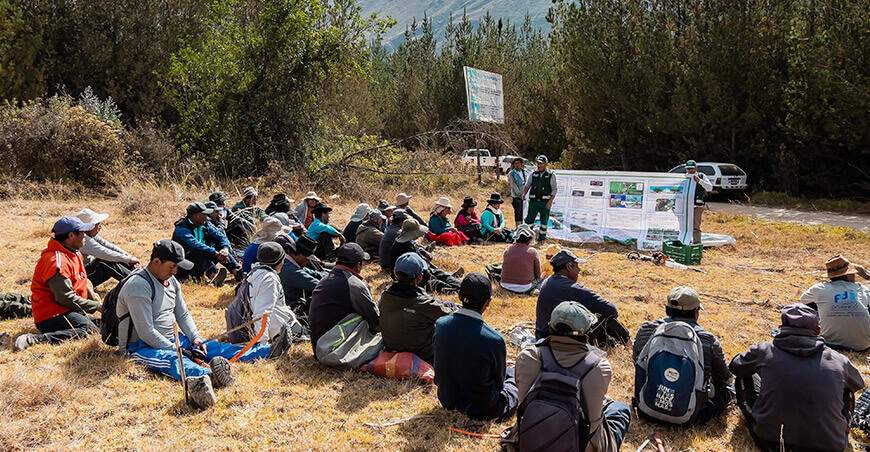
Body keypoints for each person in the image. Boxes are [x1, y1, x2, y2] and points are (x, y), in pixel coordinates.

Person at [116, 240, 291, 409]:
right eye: (172, 266)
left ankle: (268, 351)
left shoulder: (172, 282)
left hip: (175, 340)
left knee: (213, 347)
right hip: (140, 346)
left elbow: (182, 314)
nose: (176, 271)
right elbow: (146, 331)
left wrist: (196, 338)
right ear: (156, 261)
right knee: (173, 360)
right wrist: (176, 349)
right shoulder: (138, 287)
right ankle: (206, 377)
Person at [730, 303, 864, 451]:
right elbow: (858, 383)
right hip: (830, 446)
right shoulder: (839, 360)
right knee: (847, 390)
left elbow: (736, 366)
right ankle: (840, 430)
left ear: (780, 328)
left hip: (771, 442)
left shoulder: (764, 350)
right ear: (818, 331)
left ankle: (758, 419)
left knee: (743, 375)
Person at [514, 301, 631, 451]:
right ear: (586, 334)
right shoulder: (598, 367)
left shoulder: (528, 357)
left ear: (551, 327)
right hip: (580, 446)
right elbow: (593, 423)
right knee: (620, 408)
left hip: (530, 439)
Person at [632, 286, 734, 426]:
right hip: (690, 418)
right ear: (695, 312)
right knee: (726, 391)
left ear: (668, 308)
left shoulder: (647, 329)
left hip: (645, 409)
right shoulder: (707, 340)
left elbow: (637, 362)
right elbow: (724, 379)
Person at [434, 273, 518, 420]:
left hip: (447, 400)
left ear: (459, 296)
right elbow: (500, 383)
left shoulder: (441, 325)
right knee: (515, 378)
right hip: (484, 409)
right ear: (488, 302)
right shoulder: (495, 339)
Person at [15, 216, 101, 351]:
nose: (85, 235)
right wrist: (97, 307)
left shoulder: (74, 253)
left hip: (68, 310)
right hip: (51, 315)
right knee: (89, 331)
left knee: (103, 325)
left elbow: (81, 281)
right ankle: (35, 339)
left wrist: (93, 298)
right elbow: (64, 297)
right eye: (82, 232)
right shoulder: (56, 261)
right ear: (71, 235)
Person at [378, 252, 457, 364]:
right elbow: (453, 318)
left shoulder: (385, 296)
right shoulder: (424, 304)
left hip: (391, 349)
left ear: (395, 272)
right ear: (420, 277)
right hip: (423, 356)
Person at [536, 250, 628, 346]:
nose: (579, 270)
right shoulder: (571, 288)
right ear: (568, 267)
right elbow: (611, 310)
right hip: (561, 339)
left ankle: (607, 343)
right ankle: (629, 344)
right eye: (576, 266)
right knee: (605, 318)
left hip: (542, 335)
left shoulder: (548, 281)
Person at [308, 243, 379, 351]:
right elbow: (376, 323)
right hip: (334, 348)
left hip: (318, 345)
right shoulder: (354, 285)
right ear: (358, 265)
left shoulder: (325, 279)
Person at [799, 254, 870, 352]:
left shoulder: (819, 289)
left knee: (812, 305)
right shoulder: (862, 289)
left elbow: (803, 302)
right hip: (862, 346)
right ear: (848, 275)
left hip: (829, 344)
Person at [246, 242, 302, 343]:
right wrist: (262, 342)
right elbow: (263, 312)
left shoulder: (255, 272)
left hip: (276, 324)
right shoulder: (269, 280)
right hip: (278, 330)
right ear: (280, 261)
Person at [172, 202, 239, 285]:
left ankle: (236, 272)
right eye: (205, 214)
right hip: (184, 265)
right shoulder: (181, 228)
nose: (207, 216)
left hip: (200, 262)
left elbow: (221, 236)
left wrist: (225, 249)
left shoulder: (205, 224)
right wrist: (215, 253)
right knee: (195, 253)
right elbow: (195, 245)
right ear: (196, 216)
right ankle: (214, 276)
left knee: (219, 247)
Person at [390, 219, 462, 294]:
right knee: (436, 284)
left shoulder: (408, 242)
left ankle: (460, 286)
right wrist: (430, 275)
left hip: (420, 271)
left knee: (441, 274)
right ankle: (455, 291)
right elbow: (416, 267)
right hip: (409, 278)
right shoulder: (404, 247)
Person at [75, 208, 139, 287]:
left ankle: (138, 275)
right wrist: (129, 260)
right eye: (97, 224)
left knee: (117, 258)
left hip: (86, 272)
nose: (100, 226)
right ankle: (138, 283)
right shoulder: (82, 239)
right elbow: (104, 253)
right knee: (105, 261)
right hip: (80, 278)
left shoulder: (90, 235)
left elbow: (109, 247)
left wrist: (130, 258)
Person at [275, 235, 325, 320]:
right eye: (307, 258)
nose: (309, 261)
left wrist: (331, 276)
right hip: (293, 310)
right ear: (300, 255)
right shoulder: (290, 270)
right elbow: (317, 286)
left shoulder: (288, 262)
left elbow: (314, 273)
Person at [522, 155, 558, 242]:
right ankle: (527, 239)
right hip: (533, 202)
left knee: (543, 221)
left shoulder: (551, 175)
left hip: (545, 202)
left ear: (546, 164)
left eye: (541, 163)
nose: (539, 165)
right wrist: (524, 194)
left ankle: (541, 239)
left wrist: (550, 202)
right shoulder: (533, 174)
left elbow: (554, 189)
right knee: (529, 220)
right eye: (538, 163)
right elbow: (527, 185)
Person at [499, 225, 542, 295]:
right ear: (530, 239)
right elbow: (538, 275)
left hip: (505, 285)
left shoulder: (508, 249)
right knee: (542, 281)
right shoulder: (533, 252)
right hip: (525, 286)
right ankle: (534, 291)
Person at [684, 160, 713, 245]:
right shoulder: (683, 177)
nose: (689, 170)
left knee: (696, 226)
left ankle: (696, 243)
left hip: (697, 205)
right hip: (686, 206)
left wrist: (699, 181)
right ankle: (685, 242)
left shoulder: (701, 176)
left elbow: (709, 188)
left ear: (696, 168)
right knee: (685, 226)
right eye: (688, 169)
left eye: (691, 168)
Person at [379, 209, 407, 273]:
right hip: (389, 266)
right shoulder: (397, 233)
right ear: (403, 221)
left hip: (385, 264)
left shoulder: (391, 228)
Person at [508, 157, 530, 225]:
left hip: (526, 195)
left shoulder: (525, 172)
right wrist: (520, 194)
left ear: (521, 164)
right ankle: (518, 226)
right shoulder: (512, 173)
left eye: (518, 163)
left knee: (525, 211)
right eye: (515, 164)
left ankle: (524, 225)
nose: (517, 165)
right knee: (518, 212)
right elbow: (513, 185)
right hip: (517, 196)